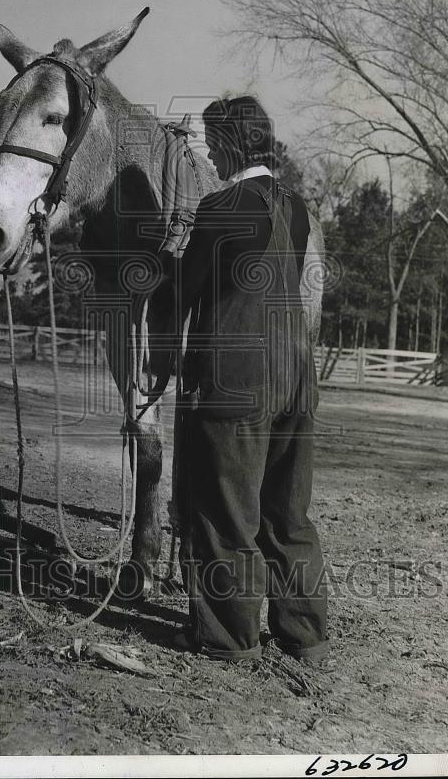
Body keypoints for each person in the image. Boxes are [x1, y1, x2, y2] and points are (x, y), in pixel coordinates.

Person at [158, 95, 328, 663]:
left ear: (232, 143)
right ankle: (303, 633)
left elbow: (185, 291)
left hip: (238, 374)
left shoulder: (221, 206)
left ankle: (229, 636)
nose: (209, 152)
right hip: (296, 375)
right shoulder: (297, 207)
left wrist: (169, 255)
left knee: (224, 508)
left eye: (213, 141)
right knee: (287, 510)